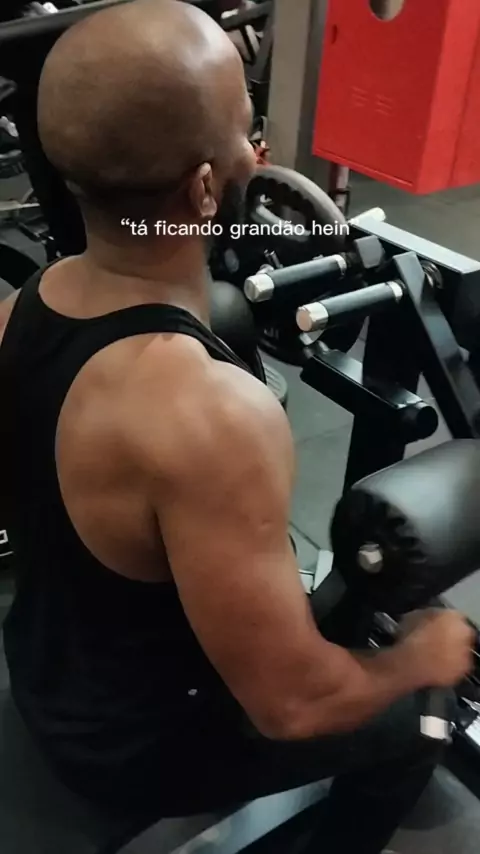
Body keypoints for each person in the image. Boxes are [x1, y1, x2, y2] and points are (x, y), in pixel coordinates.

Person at [0, 2, 474, 852]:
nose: (259, 152)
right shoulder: (210, 419)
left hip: (48, 671)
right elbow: (293, 706)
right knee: (420, 717)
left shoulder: (19, 308)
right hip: (138, 748)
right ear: (204, 188)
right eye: (248, 133)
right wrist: (421, 659)